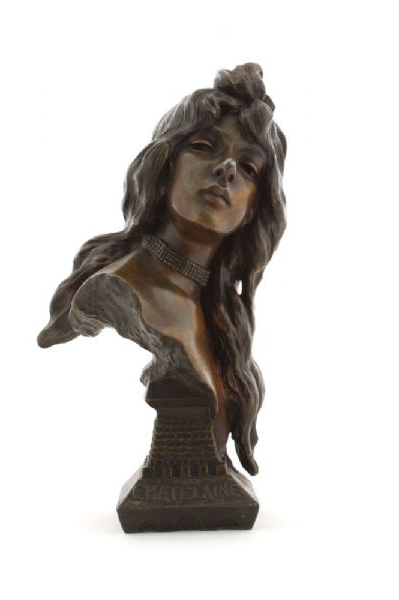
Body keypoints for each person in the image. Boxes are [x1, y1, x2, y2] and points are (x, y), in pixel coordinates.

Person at [37, 63, 287, 476]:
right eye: (204, 146)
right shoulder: (121, 286)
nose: (227, 169)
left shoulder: (221, 314)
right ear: (165, 165)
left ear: (254, 209)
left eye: (248, 168)